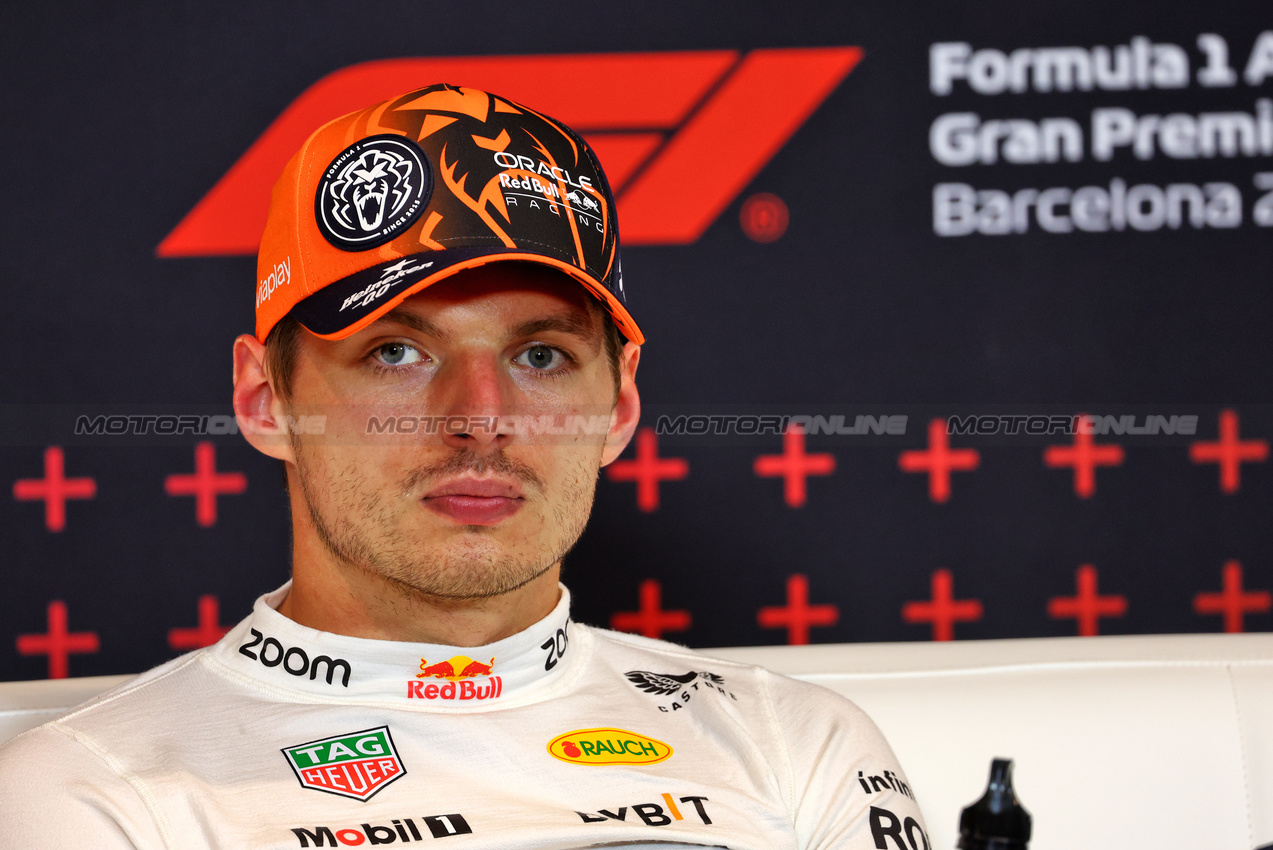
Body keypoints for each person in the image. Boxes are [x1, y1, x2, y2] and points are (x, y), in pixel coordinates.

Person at [0, 83, 928, 849]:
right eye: (397, 353)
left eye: (541, 356)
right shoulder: (91, 795)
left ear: (620, 405)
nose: (481, 418)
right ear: (264, 399)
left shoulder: (792, 741)